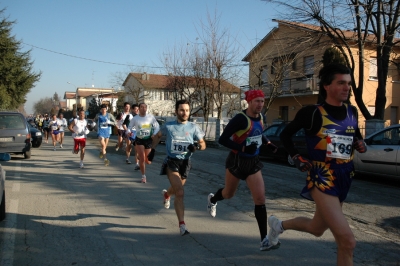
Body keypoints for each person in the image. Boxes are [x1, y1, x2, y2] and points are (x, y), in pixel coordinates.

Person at [270, 63, 367, 265]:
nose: (346, 88)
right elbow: (286, 135)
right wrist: (296, 157)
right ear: (326, 86)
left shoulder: (352, 112)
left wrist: (360, 143)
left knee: (317, 228)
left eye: (348, 84)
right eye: (341, 83)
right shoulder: (312, 113)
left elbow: (354, 136)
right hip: (323, 178)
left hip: (345, 176)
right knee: (347, 241)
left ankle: (279, 225)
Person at [207, 89, 279, 251]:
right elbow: (223, 139)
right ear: (249, 102)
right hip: (236, 161)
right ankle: (213, 200)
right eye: (257, 101)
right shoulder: (240, 119)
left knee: (260, 199)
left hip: (253, 162)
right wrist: (243, 148)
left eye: (262, 101)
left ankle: (264, 240)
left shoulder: (260, 117)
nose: (260, 104)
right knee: (228, 194)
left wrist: (268, 143)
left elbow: (259, 133)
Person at [156, 99, 206, 236]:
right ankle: (182, 225)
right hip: (171, 162)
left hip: (186, 163)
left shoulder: (193, 127)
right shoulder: (169, 126)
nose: (185, 113)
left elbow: (203, 145)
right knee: (180, 192)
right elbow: (158, 136)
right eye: (182, 110)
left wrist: (196, 146)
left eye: (187, 110)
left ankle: (166, 194)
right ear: (176, 111)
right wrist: (151, 150)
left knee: (177, 189)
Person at [128, 103, 160, 183]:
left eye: (145, 107)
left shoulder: (150, 117)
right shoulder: (135, 118)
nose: (143, 108)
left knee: (148, 161)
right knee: (142, 158)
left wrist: (154, 133)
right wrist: (129, 132)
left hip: (148, 139)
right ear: (139, 109)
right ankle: (143, 176)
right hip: (139, 139)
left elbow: (157, 126)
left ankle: (143, 157)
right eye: (141, 107)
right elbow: (129, 127)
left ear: (146, 108)